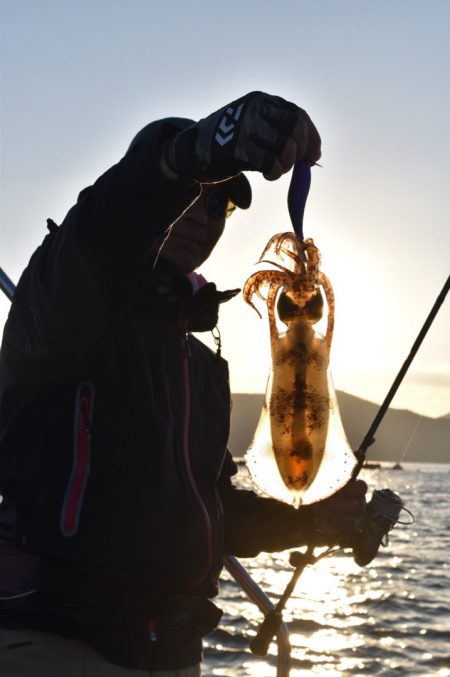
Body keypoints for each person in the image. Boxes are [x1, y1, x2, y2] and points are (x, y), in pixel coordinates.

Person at [0, 91, 367, 675]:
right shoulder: (65, 301)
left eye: (219, 204)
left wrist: (316, 521)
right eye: (196, 191)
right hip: (58, 636)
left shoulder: (197, 364)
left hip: (171, 650)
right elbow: (108, 225)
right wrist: (184, 156)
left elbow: (213, 508)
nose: (203, 212)